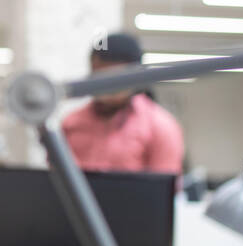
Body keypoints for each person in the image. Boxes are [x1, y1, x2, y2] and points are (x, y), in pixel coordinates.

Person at [61, 32, 185, 174]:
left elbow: (164, 190)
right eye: (97, 78)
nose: (103, 87)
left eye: (112, 79)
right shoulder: (71, 123)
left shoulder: (160, 126)